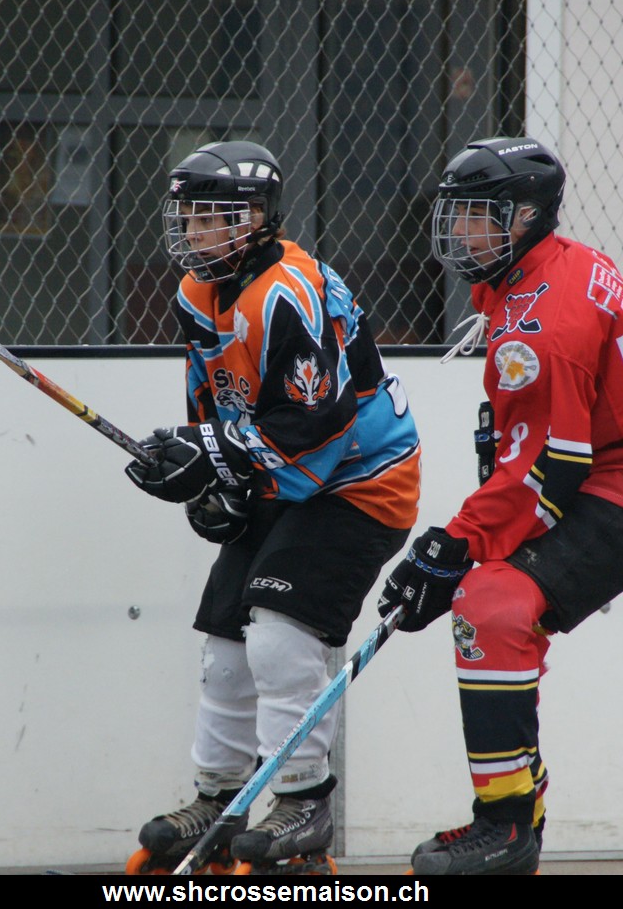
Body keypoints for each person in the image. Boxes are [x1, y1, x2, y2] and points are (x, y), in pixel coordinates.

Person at [378, 137, 623, 875]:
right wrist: (466, 543)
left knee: (491, 604)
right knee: (488, 594)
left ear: (525, 217)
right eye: (455, 212)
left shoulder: (543, 327)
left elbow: (549, 471)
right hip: (615, 453)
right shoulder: (537, 268)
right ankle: (517, 816)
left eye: (477, 214)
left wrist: (451, 547)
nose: (458, 230)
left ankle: (506, 828)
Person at [123, 140, 422, 869]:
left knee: (279, 637)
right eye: (188, 217)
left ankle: (303, 802)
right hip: (281, 476)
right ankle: (216, 799)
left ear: (257, 218)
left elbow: (317, 424)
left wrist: (218, 453)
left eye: (212, 218)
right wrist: (210, 480)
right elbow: (213, 398)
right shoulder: (197, 292)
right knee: (226, 649)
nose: (195, 232)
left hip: (359, 480)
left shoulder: (285, 291)